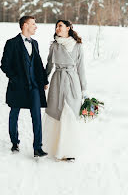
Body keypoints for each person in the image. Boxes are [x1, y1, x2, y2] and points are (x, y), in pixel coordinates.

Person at [0, 16, 49, 158]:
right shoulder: (11, 43)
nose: (36, 26)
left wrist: (44, 80)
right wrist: (15, 79)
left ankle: (37, 148)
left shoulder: (35, 43)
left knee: (37, 116)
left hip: (34, 86)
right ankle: (14, 142)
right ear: (25, 25)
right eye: (33, 24)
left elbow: (38, 64)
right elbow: (5, 65)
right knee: (14, 114)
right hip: (17, 86)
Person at [42, 20, 87, 161]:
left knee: (70, 112)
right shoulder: (54, 45)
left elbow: (81, 68)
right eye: (56, 26)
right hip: (58, 80)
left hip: (73, 81)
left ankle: (69, 151)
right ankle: (55, 147)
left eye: (60, 26)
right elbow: (49, 64)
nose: (57, 28)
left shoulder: (78, 46)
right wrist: (44, 79)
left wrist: (84, 89)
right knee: (57, 111)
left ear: (68, 28)